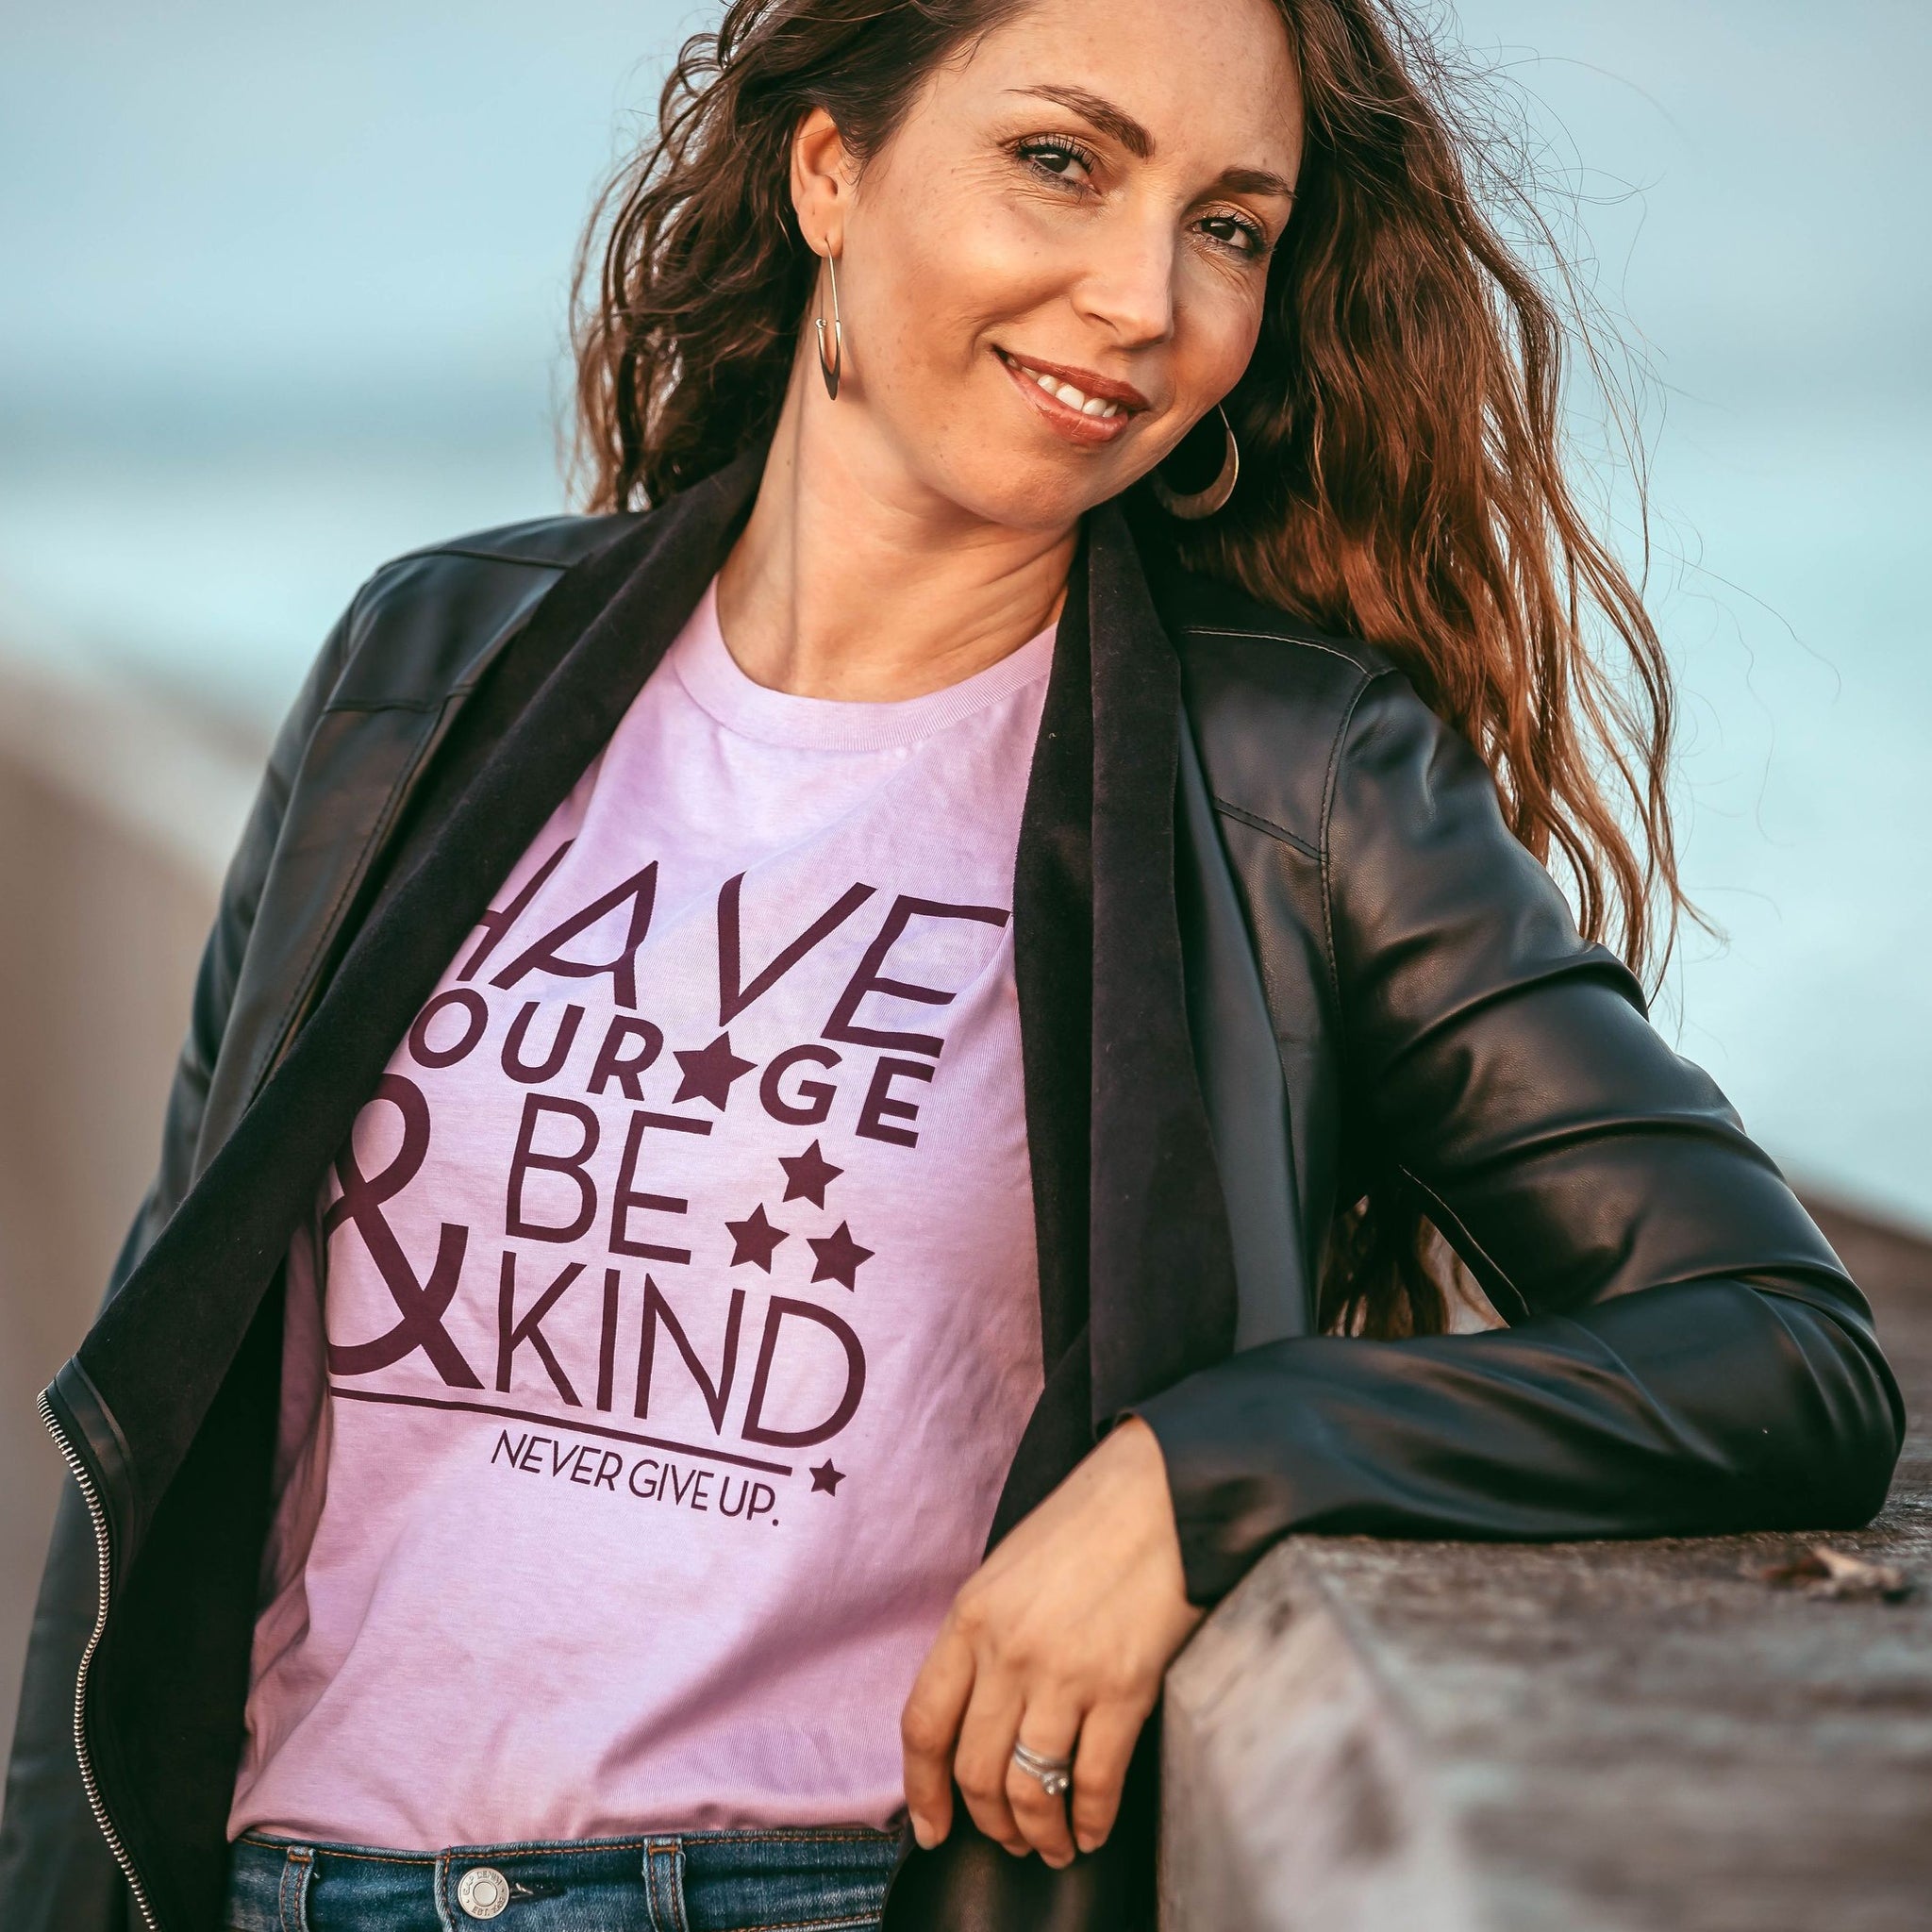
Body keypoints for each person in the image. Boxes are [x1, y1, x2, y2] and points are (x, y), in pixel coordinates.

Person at [0, 0, 1903, 1926]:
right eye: (1060, 162)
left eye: (1229, 224)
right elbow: (168, 1375)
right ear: (832, 168)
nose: (1142, 295)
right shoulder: (432, 666)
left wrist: (1213, 1463)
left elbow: (1779, 1344)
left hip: (795, 1890)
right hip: (272, 1883)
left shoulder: (1296, 783)